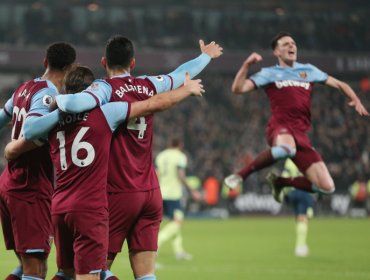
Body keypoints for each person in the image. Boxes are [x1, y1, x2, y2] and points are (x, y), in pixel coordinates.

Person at [26, 35, 222, 280]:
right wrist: (205, 57)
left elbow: (77, 103)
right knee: (146, 273)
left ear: (103, 61)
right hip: (150, 190)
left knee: (93, 270)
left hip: (117, 190)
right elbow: (182, 72)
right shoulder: (149, 84)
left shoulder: (104, 90)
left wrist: (56, 102)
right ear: (133, 63)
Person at [224, 31, 369, 202]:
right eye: (285, 44)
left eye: (293, 43)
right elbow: (238, 88)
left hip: (301, 134)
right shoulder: (269, 73)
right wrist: (246, 65)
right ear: (277, 52)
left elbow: (339, 83)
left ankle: (281, 182)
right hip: (280, 127)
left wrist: (355, 98)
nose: (291, 46)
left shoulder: (308, 70)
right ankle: (241, 175)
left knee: (327, 187)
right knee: (287, 149)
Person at [0, 42, 76, 280]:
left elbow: (2, 117)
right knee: (36, 269)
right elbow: (32, 130)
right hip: (29, 187)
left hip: (10, 182)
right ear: (71, 68)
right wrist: (15, 148)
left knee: (25, 264)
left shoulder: (23, 88)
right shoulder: (48, 94)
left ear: (45, 62)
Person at [155, 138, 201, 261]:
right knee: (178, 222)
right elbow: (181, 175)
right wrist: (192, 190)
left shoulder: (161, 155)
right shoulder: (180, 156)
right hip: (173, 195)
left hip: (160, 192)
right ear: (180, 145)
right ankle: (156, 245)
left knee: (174, 222)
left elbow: (156, 173)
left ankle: (179, 251)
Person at [280, 159, 314, 257]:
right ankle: (300, 246)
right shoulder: (309, 157)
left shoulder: (289, 160)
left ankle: (301, 244)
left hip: (292, 192)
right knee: (304, 218)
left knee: (299, 219)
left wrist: (285, 193)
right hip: (303, 191)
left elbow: (285, 176)